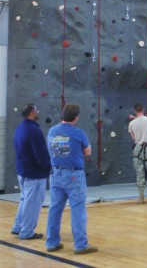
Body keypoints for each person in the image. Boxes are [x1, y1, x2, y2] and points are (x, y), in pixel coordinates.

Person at [45, 104, 97, 255]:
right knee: (78, 210)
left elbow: (54, 150)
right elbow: (88, 152)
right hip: (74, 175)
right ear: (76, 117)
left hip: (56, 174)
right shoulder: (78, 133)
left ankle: (52, 242)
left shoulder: (52, 131)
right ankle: (80, 245)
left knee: (55, 209)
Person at [11, 103, 51, 240]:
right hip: (34, 173)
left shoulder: (20, 127)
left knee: (25, 200)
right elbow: (40, 153)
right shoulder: (34, 130)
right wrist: (48, 166)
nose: (38, 111)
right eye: (37, 109)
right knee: (33, 202)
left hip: (22, 170)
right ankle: (27, 231)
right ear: (32, 112)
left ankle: (18, 226)